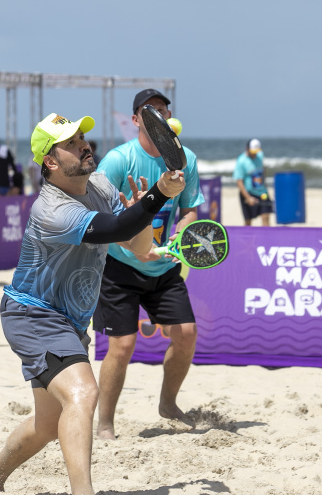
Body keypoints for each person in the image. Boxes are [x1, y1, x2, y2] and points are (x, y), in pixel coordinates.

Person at [0, 112, 185, 495]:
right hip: (32, 313)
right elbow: (116, 227)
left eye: (82, 138)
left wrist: (144, 213)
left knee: (47, 424)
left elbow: (135, 245)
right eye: (70, 143)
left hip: (68, 321)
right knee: (84, 393)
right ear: (51, 162)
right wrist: (157, 196)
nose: (84, 145)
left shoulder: (99, 186)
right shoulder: (51, 209)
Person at [93, 88, 205, 440]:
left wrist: (178, 239)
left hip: (163, 265)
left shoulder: (185, 159)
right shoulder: (118, 160)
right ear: (136, 120)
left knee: (186, 334)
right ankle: (105, 423)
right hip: (119, 265)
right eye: (150, 110)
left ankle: (168, 405)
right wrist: (135, 247)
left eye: (163, 110)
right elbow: (98, 215)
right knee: (122, 345)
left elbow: (189, 209)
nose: (159, 115)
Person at [234, 138, 274, 226]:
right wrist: (248, 197)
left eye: (256, 151)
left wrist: (265, 186)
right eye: (253, 151)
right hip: (248, 193)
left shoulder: (260, 155)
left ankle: (267, 234)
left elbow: (263, 170)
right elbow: (239, 181)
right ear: (247, 149)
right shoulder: (241, 161)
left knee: (266, 216)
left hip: (262, 192)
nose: (254, 154)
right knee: (248, 221)